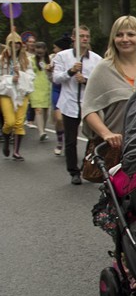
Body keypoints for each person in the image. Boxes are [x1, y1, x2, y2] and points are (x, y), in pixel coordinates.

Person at [82, 15, 136, 153]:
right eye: (119, 35)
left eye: (131, 34)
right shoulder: (103, 69)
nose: (125, 39)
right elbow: (88, 109)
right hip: (114, 150)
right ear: (113, 39)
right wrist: (106, 134)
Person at [52, 26, 102, 185]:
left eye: (87, 36)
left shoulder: (97, 59)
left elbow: (100, 82)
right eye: (81, 36)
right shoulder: (62, 56)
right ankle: (73, 171)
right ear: (73, 38)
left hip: (88, 103)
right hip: (69, 102)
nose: (85, 39)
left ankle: (86, 166)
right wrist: (71, 72)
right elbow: (56, 78)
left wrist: (86, 80)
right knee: (71, 140)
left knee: (93, 137)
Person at [1, 32, 35, 160]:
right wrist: (11, 79)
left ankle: (16, 151)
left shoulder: (26, 60)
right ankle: (5, 137)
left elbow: (31, 77)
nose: (15, 45)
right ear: (8, 43)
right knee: (10, 122)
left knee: (19, 123)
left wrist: (20, 75)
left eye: (18, 43)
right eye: (12, 43)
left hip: (22, 93)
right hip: (6, 93)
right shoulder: (2, 59)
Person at [50, 35, 72, 155]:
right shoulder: (53, 58)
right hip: (57, 89)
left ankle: (69, 141)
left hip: (68, 89)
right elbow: (53, 78)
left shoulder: (71, 57)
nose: (53, 50)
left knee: (68, 120)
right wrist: (49, 71)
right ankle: (59, 141)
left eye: (55, 47)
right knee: (59, 118)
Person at [28, 42, 52, 141]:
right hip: (35, 87)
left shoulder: (49, 60)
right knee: (38, 109)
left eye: (41, 48)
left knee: (46, 110)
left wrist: (50, 70)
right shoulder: (31, 60)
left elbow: (52, 74)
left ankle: (43, 129)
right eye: (37, 48)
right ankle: (41, 131)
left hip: (47, 86)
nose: (39, 50)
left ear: (45, 49)